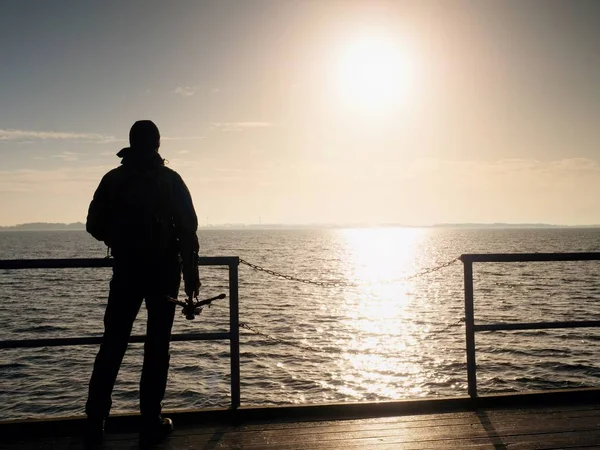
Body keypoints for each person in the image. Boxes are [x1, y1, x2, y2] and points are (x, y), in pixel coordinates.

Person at [84, 120, 200, 445]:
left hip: (126, 273)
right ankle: (150, 420)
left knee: (113, 345)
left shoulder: (113, 179)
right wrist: (192, 274)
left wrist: (119, 240)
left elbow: (93, 224)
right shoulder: (171, 181)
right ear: (158, 144)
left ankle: (95, 422)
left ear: (131, 143)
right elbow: (188, 231)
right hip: (164, 275)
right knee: (157, 347)